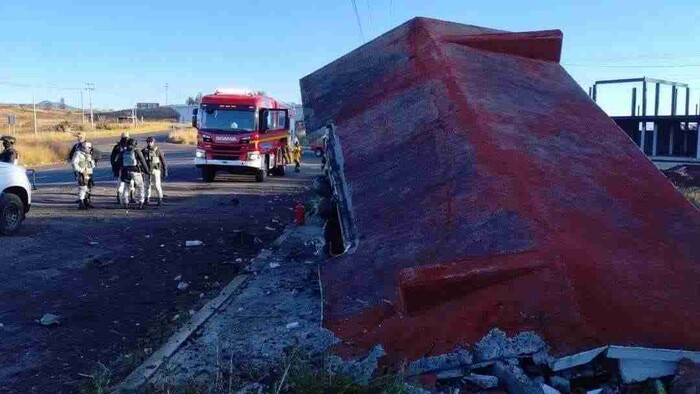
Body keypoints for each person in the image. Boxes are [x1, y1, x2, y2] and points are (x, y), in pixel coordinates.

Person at [118, 138, 148, 209]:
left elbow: (119, 162)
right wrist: (147, 170)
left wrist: (121, 171)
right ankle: (141, 202)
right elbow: (143, 161)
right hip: (135, 171)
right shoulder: (136, 151)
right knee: (140, 186)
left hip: (126, 171)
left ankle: (126, 202)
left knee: (126, 187)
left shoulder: (123, 152)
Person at [141, 136, 168, 206]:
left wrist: (165, 171)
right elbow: (140, 161)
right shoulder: (144, 151)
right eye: (148, 142)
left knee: (157, 185)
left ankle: (160, 198)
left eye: (151, 142)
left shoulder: (157, 150)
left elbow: (163, 161)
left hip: (155, 170)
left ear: (153, 142)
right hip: (146, 171)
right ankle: (147, 199)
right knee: (147, 185)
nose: (149, 143)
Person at [110, 132, 134, 204]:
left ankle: (122, 197)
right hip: (126, 167)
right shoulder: (120, 147)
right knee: (128, 182)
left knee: (122, 183)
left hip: (123, 168)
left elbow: (112, 158)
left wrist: (114, 168)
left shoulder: (118, 146)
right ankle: (128, 197)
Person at [71, 142, 96, 210]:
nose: (90, 149)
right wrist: (81, 170)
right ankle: (81, 203)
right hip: (82, 173)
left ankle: (86, 201)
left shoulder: (89, 155)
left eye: (90, 148)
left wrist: (92, 164)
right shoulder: (78, 154)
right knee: (82, 188)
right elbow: (74, 163)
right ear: (85, 148)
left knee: (88, 188)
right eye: (89, 148)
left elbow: (92, 164)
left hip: (89, 172)